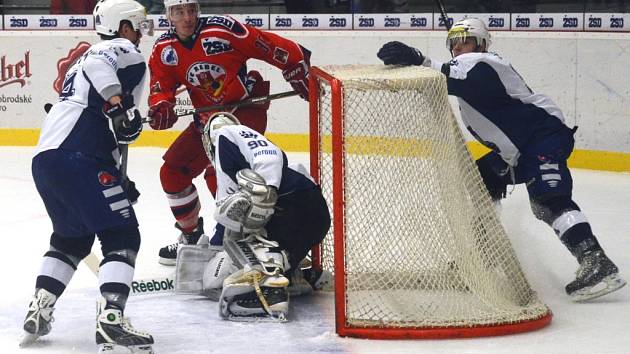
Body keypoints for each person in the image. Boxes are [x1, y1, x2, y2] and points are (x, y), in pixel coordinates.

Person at [376, 18, 626, 302]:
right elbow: (452, 77)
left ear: (480, 44)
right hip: (517, 150)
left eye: (465, 41)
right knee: (480, 183)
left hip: (541, 138)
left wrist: (417, 58)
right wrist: (418, 62)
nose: (459, 48)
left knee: (548, 200)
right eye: (454, 43)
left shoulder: (481, 62)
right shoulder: (468, 64)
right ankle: (482, 259)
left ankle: (596, 261)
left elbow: (451, 75)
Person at [21, 1, 155, 352]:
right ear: (123, 26)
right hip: (79, 157)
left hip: (48, 159)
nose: (140, 33)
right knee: (121, 234)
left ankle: (41, 305)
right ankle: (111, 320)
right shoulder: (116, 49)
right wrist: (118, 104)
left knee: (71, 237)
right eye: (137, 25)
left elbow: (106, 124)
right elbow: (101, 69)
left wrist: (115, 177)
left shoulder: (82, 64)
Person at [147, 0, 311, 266]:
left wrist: (294, 64)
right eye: (179, 12)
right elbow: (160, 87)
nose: (187, 17)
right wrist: (161, 106)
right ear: (168, 16)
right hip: (207, 120)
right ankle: (192, 237)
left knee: (221, 174)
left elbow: (266, 43)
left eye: (191, 10)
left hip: (244, 111)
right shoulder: (164, 49)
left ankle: (254, 237)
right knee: (172, 173)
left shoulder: (223, 30)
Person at [189, 112, 330, 322]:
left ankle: (271, 292)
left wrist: (267, 193)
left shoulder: (225, 137)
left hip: (290, 208)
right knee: (244, 220)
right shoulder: (251, 157)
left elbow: (228, 219)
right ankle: (294, 277)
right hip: (316, 215)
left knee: (240, 233)